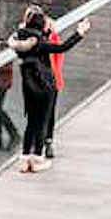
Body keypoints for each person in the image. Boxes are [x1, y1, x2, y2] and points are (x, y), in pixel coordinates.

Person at [8, 7, 91, 173]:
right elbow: (62, 47)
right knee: (42, 122)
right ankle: (38, 159)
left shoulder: (20, 40)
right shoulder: (40, 43)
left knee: (31, 122)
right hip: (45, 87)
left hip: (29, 87)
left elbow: (33, 39)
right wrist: (79, 32)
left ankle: (24, 159)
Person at [43, 18, 67, 160]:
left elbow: (57, 62)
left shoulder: (53, 39)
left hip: (51, 82)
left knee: (49, 112)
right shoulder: (38, 39)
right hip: (41, 82)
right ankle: (42, 141)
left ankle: (48, 141)